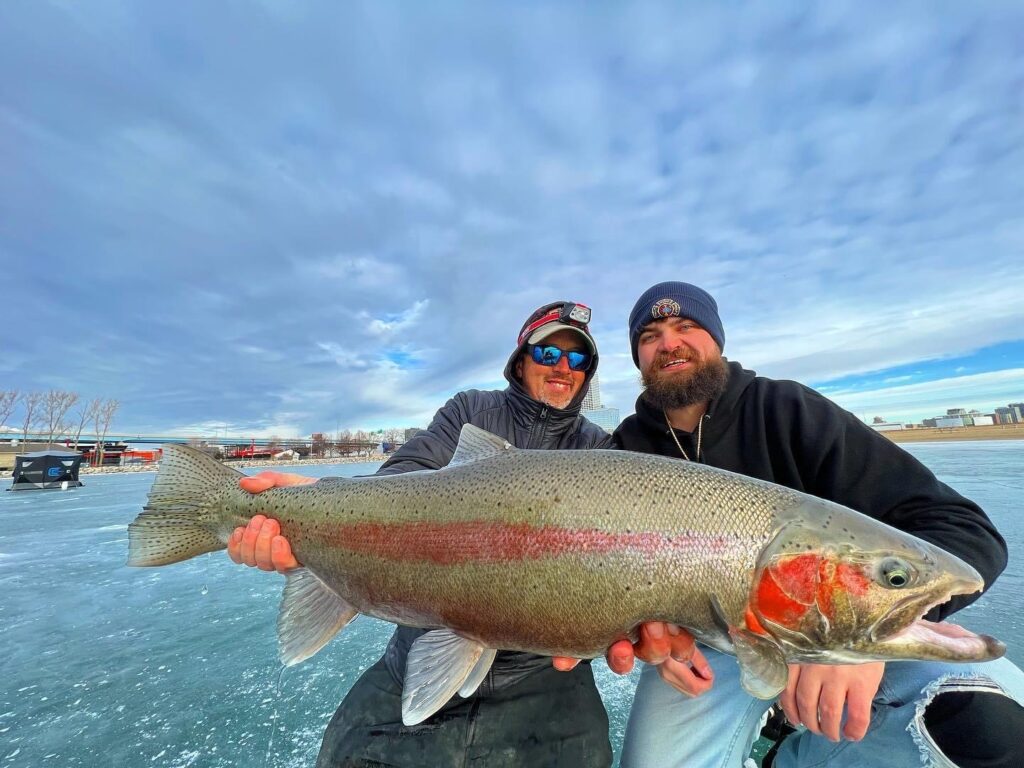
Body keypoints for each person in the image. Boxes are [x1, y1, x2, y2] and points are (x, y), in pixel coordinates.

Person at [227, 300, 702, 768]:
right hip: (419, 643)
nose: (564, 367)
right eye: (548, 354)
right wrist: (324, 506)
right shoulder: (470, 411)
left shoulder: (596, 447)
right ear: (520, 360)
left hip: (544, 678)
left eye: (578, 359)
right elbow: (403, 477)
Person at [613, 281, 1024, 768]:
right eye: (650, 335)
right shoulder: (625, 453)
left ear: (716, 340)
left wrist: (866, 642)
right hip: (710, 649)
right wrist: (658, 643)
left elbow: (960, 526)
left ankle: (794, 755)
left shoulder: (789, 410)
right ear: (638, 357)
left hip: (842, 619)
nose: (669, 343)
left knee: (988, 729)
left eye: (687, 326)